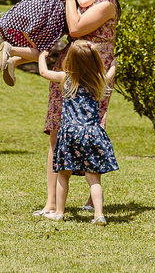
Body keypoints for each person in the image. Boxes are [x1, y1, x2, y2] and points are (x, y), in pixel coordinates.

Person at [36, 41, 119, 223]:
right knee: (93, 178)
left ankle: (59, 212)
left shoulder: (66, 78)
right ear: (95, 60)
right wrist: (114, 64)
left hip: (70, 134)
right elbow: (110, 75)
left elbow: (43, 72)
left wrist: (42, 56)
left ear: (69, 60)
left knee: (63, 174)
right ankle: (99, 214)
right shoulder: (97, 80)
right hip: (92, 133)